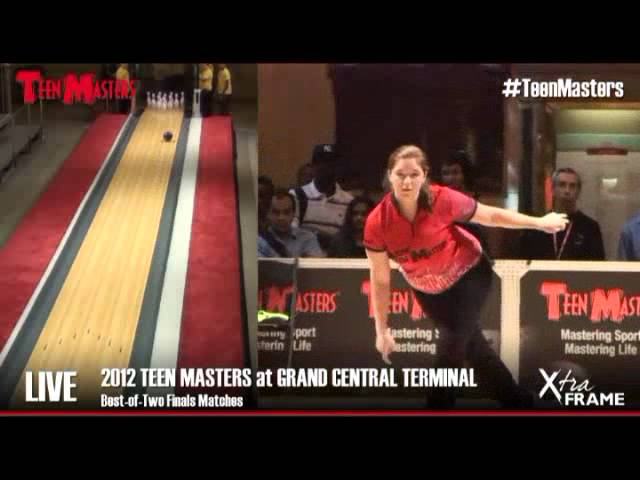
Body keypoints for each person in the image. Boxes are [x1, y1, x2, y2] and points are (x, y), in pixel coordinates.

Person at [364, 145, 568, 409]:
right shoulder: (377, 223)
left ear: (425, 175)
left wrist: (539, 222)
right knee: (474, 348)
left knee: (452, 342)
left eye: (414, 174)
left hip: (470, 273)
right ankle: (521, 402)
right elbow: (380, 279)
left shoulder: (443, 199)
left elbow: (491, 215)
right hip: (427, 289)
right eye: (400, 174)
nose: (407, 181)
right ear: (389, 176)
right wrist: (382, 331)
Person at [520, 167, 605, 260]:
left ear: (578, 192)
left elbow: (597, 267)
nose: (567, 191)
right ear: (553, 189)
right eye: (562, 185)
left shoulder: (590, 228)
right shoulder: (538, 225)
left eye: (572, 186)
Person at [290, 144, 354, 251]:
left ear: (338, 167)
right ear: (313, 166)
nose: (327, 167)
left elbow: (350, 238)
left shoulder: (348, 201)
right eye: (322, 163)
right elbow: (291, 232)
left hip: (335, 262)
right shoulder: (297, 195)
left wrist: (328, 239)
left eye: (331, 163)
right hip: (304, 262)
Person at [439, 151, 492, 257]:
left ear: (465, 174)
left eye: (455, 173)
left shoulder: (480, 203)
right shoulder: (437, 203)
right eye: (446, 173)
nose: (450, 178)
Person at [258, 189, 326, 258]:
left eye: (286, 212)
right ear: (267, 214)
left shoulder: (307, 238)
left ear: (293, 214)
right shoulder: (259, 241)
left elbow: (314, 266)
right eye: (276, 212)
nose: (281, 218)